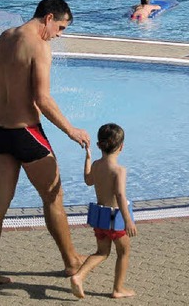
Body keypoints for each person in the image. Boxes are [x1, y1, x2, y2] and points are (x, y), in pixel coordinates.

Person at [0, 0, 90, 291]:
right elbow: (42, 98)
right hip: (26, 133)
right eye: (61, 28)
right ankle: (71, 261)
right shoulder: (39, 46)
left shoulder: (4, 38)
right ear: (49, 17)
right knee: (54, 196)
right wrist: (71, 130)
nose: (59, 35)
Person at [70, 123, 137, 299]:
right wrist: (128, 220)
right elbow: (121, 195)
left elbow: (88, 180)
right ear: (121, 146)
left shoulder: (97, 166)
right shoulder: (119, 170)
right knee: (123, 253)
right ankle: (118, 289)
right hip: (116, 220)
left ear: (100, 145)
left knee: (102, 252)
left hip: (100, 219)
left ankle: (78, 276)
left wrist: (87, 159)